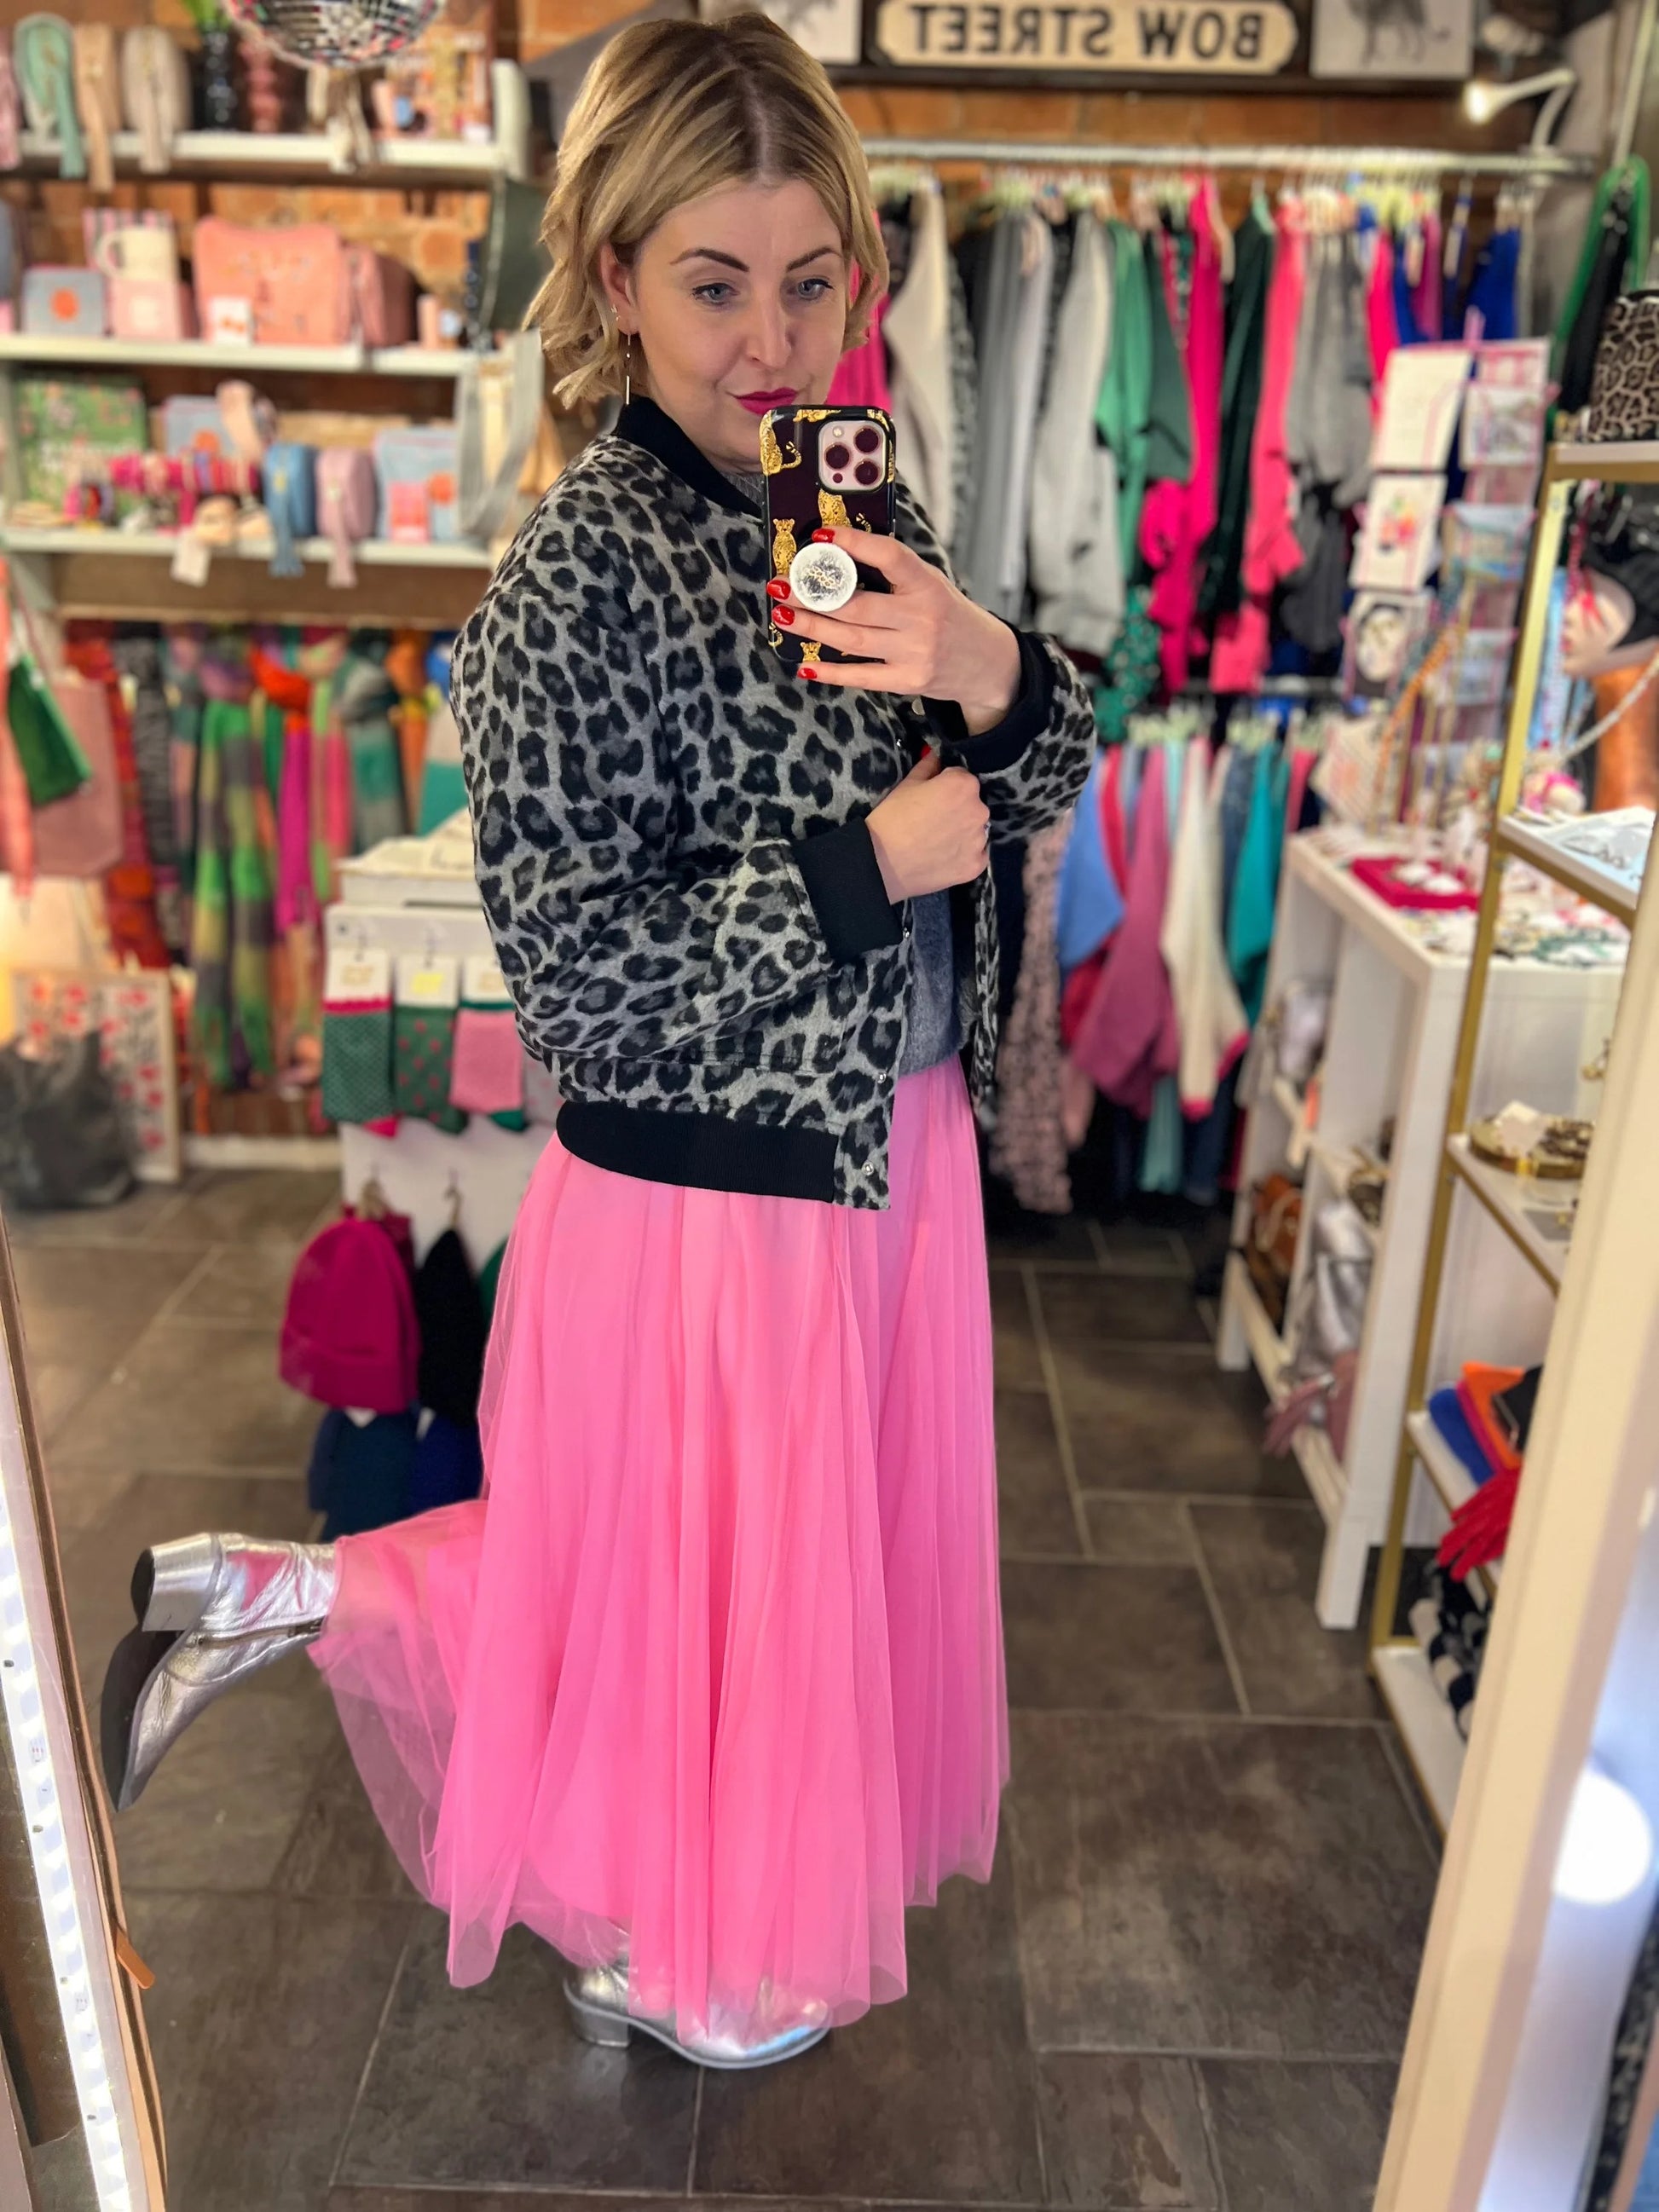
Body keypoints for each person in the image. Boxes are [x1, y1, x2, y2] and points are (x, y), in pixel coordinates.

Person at [99, 10, 1094, 2072]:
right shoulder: (572, 568)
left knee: (744, 1590)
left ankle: (296, 1603)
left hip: (873, 1160)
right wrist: (864, 857)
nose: (770, 339)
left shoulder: (855, 499)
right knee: (681, 1601)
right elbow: (572, 978)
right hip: (699, 1201)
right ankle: (662, 1912)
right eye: (714, 282)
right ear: (616, 275)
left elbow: (1030, 770)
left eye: (811, 279)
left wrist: (990, 669)